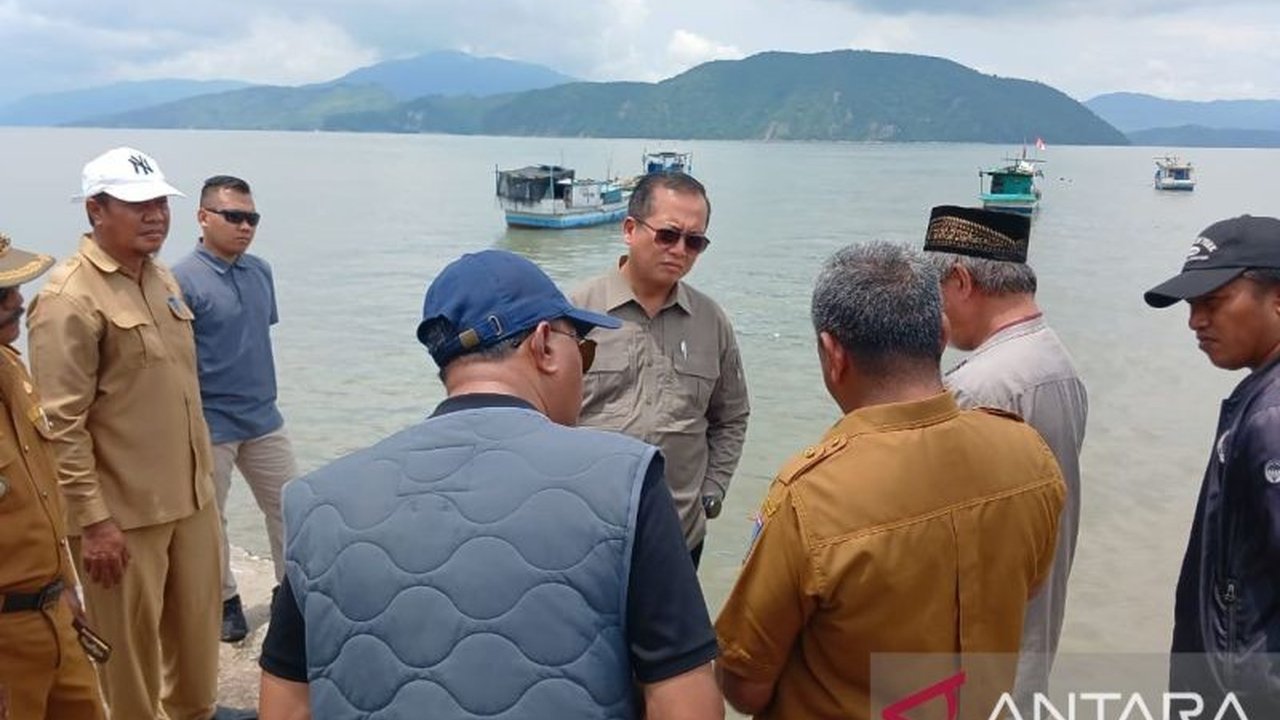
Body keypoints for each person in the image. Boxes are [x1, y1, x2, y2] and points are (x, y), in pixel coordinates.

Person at [258, 249, 723, 720]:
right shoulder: (628, 480)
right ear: (543, 345)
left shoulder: (316, 499)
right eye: (582, 347)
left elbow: (287, 704)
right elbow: (684, 700)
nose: (584, 367)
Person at [714, 241, 1065, 719]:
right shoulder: (1029, 456)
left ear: (832, 353)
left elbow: (744, 683)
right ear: (941, 334)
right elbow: (1028, 590)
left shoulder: (812, 498)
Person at [27, 146, 222, 720]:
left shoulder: (162, 278)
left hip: (192, 500)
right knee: (129, 665)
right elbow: (61, 425)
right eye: (137, 205)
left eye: (160, 203)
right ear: (95, 210)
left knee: (197, 650)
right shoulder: (67, 300)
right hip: (122, 519)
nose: (155, 215)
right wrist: (94, 522)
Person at [922, 205, 1088, 701]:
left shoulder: (978, 387)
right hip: (1029, 641)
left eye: (936, 292)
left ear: (961, 281)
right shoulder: (1058, 362)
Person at [571, 172, 750, 567]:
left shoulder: (711, 320)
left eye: (695, 241)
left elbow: (732, 415)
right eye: (668, 235)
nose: (680, 250)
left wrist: (713, 490)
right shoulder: (575, 313)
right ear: (630, 229)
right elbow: (541, 418)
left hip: (680, 538)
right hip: (586, 537)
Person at [1146, 215, 1280, 714]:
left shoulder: (1271, 416)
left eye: (1214, 302)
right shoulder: (1260, 397)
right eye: (1191, 305)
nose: (1195, 321)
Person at [172, 175, 297, 644]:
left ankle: (290, 590)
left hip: (264, 417)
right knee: (210, 519)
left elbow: (257, 336)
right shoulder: (181, 279)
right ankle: (225, 599)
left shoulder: (260, 271)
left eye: (252, 218)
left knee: (290, 506)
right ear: (203, 217)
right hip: (211, 421)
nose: (245, 227)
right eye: (234, 217)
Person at [0, 231, 105, 720]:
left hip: (54, 617)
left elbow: (40, 492)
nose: (19, 302)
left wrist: (65, 586)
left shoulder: (12, 370)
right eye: (2, 294)